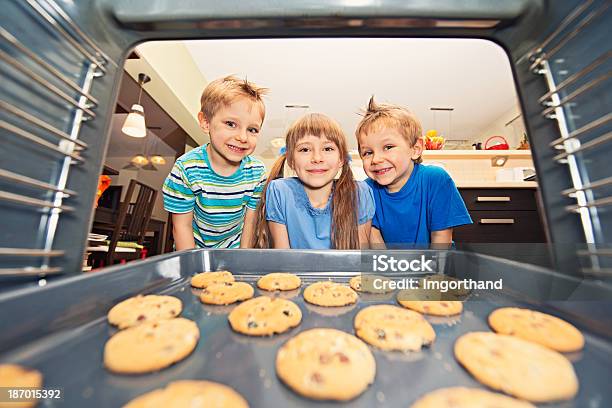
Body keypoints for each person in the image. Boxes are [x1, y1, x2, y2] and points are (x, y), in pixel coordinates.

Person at [162, 75, 268, 249]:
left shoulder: (257, 172)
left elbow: (250, 224)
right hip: (193, 247)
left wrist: (242, 261)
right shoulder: (186, 169)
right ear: (205, 122)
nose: (242, 137)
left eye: (252, 129)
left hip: (234, 246)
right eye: (231, 124)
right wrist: (194, 268)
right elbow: (182, 226)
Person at [355, 97, 472, 247]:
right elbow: (376, 244)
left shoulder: (436, 179)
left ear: (415, 149)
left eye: (388, 147)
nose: (376, 159)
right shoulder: (366, 191)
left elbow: (441, 239)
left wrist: (433, 270)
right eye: (368, 152)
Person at [254, 113, 374, 249]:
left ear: (341, 158)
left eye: (328, 149)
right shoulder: (280, 191)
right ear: (291, 160)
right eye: (305, 149)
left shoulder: (359, 193)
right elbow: (283, 259)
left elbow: (359, 259)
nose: (317, 158)